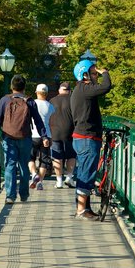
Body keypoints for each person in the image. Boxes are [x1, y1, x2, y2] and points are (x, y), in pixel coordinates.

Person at [0, 75, 50, 204]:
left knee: (10, 165)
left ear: (12, 87)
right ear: (24, 87)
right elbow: (38, 121)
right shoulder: (29, 101)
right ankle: (23, 194)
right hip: (25, 138)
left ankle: (10, 196)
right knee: (24, 165)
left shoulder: (4, 100)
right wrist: (44, 136)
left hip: (8, 137)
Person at [70, 58, 111, 220]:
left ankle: (84, 207)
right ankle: (81, 210)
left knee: (83, 172)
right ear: (85, 75)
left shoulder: (80, 90)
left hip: (82, 137)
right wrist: (106, 73)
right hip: (87, 138)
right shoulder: (85, 89)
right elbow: (106, 86)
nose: (97, 75)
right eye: (94, 73)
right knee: (87, 173)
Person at [49, 81, 76, 189]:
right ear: (69, 91)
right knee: (71, 156)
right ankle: (69, 177)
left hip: (54, 132)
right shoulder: (73, 100)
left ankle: (59, 180)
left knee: (57, 157)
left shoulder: (52, 101)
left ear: (59, 90)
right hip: (70, 132)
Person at [29, 83, 54, 190]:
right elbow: (51, 122)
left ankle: (34, 174)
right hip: (46, 135)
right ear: (47, 94)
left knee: (30, 158)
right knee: (44, 160)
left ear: (36, 92)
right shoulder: (51, 106)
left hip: (32, 135)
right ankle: (40, 182)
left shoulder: (31, 104)